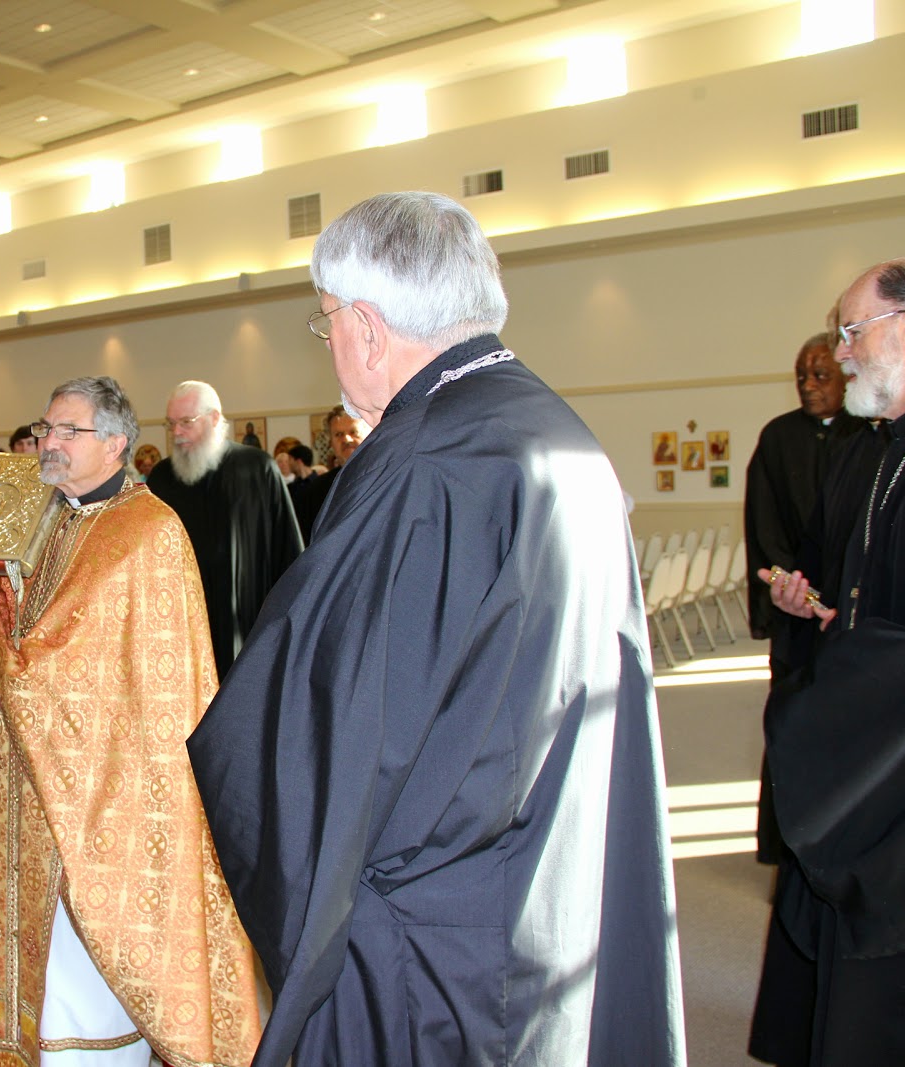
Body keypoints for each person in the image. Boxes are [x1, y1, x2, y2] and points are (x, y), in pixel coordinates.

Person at [188, 192, 685, 1066]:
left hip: (432, 924)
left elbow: (334, 707)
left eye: (327, 321)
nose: (330, 342)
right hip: (545, 864)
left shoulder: (425, 460)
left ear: (368, 328)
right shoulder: (553, 424)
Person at [0, 376, 260, 1067]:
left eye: (70, 431)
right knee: (42, 966)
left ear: (117, 443)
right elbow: (21, 634)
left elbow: (51, 666)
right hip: (34, 767)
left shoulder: (148, 532)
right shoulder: (45, 519)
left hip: (111, 789)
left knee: (92, 970)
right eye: (46, 429)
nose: (50, 443)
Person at [752, 257, 905, 1067]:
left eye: (851, 331)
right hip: (881, 749)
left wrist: (839, 692)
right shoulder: (884, 446)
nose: (840, 354)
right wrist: (835, 618)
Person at [742, 332, 870, 864]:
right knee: (791, 723)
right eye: (801, 376)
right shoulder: (778, 438)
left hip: (849, 614)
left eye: (820, 375)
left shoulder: (868, 438)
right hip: (795, 610)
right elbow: (764, 525)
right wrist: (794, 591)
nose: (809, 386)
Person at [145, 380, 303, 679]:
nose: (176, 432)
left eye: (186, 422)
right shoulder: (162, 478)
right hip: (182, 624)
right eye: (171, 424)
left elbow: (288, 552)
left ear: (214, 418)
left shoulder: (256, 469)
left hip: (247, 620)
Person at [293, 405, 363, 541]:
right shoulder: (315, 491)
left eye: (354, 432)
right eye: (338, 435)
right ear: (331, 442)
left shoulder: (390, 478)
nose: (346, 439)